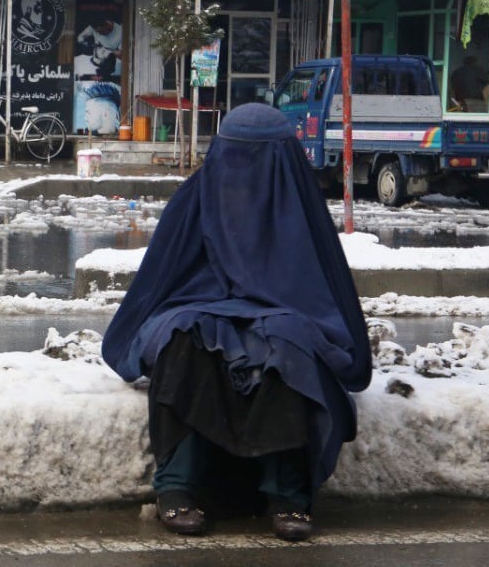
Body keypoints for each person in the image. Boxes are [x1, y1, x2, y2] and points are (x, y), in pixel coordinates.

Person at [101, 103, 371, 542]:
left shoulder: (299, 210)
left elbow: (321, 294)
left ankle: (287, 493)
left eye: (258, 161)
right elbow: (161, 283)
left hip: (284, 310)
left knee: (288, 344)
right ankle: (176, 486)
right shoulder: (194, 202)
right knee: (186, 336)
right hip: (199, 303)